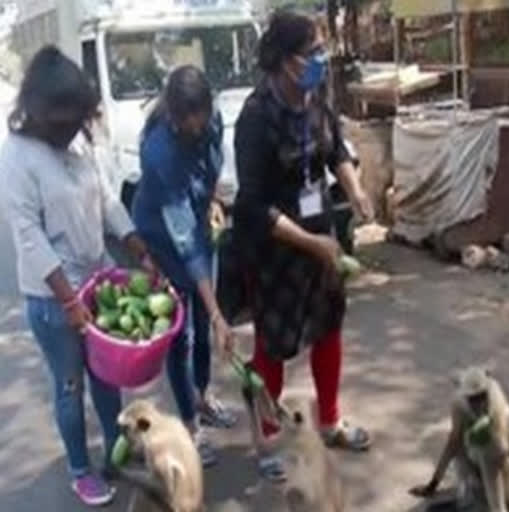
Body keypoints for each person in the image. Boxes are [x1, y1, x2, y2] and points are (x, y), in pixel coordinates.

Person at [0, 46, 157, 507]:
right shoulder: (17, 157)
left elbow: (108, 200)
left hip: (99, 280)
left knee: (109, 378)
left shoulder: (81, 143)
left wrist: (136, 247)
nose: (73, 126)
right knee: (70, 383)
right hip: (54, 298)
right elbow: (28, 236)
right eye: (64, 119)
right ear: (41, 112)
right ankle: (79, 469)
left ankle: (115, 451)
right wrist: (69, 301)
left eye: (78, 117)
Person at [233, 9, 375, 480]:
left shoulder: (315, 99)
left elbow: (335, 150)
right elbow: (253, 207)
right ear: (285, 60)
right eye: (313, 52)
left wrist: (353, 190)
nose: (321, 59)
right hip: (275, 250)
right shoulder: (255, 118)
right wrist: (312, 243)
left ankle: (330, 419)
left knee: (329, 327)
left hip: (320, 240)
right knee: (273, 348)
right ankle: (268, 438)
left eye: (321, 50)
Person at [131, 65, 236, 467]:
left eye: (202, 119)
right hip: (164, 238)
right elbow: (183, 243)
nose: (197, 127)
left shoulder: (213, 120)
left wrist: (211, 202)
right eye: (188, 122)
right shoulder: (158, 150)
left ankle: (203, 395)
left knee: (207, 331)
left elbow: (213, 169)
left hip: (197, 223)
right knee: (184, 336)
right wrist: (216, 312)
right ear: (174, 116)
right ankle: (191, 423)